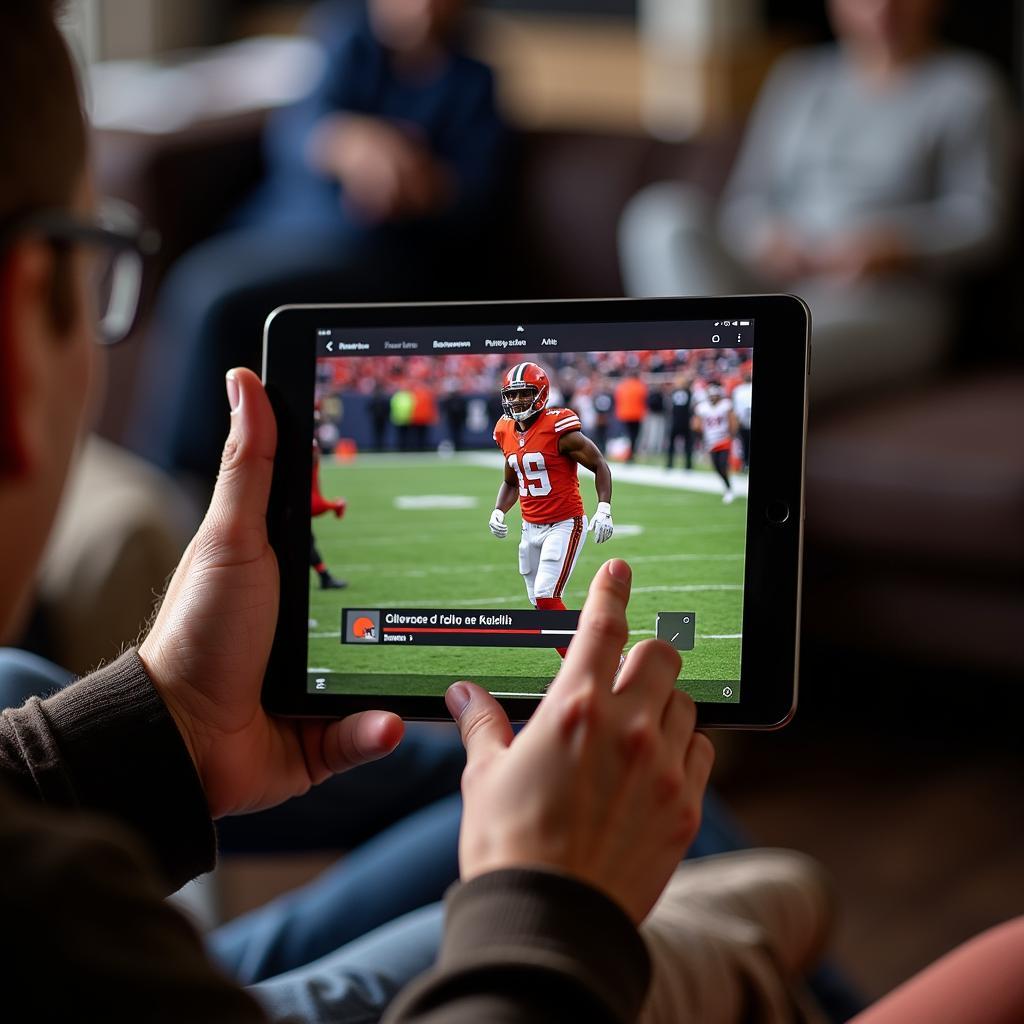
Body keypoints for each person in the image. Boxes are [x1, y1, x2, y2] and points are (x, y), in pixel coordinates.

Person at [131, 0, 506, 485]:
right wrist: (349, 144)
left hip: (374, 251)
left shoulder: (474, 81)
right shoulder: (346, 40)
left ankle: (185, 480)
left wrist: (417, 182)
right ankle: (170, 479)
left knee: (213, 294)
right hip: (282, 231)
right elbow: (296, 131)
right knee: (202, 282)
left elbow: (475, 198)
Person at [619, 0, 1015, 403]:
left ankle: (710, 394)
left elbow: (983, 221)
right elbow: (745, 201)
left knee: (783, 350)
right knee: (660, 216)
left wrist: (896, 244)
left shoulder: (970, 88)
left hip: (883, 295)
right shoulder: (799, 77)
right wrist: (766, 236)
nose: (883, 9)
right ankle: (707, 377)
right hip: (778, 278)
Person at [488, 362, 614, 659]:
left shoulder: (559, 427)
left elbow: (599, 464)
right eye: (512, 394)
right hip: (529, 526)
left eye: (525, 393)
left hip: (564, 523)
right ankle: (586, 665)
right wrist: (498, 510)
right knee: (539, 602)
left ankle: (594, 665)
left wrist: (604, 507)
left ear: (541, 393)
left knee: (546, 595)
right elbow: (511, 480)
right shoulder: (505, 430)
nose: (517, 401)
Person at [692, 382, 737, 504]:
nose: (713, 398)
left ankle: (729, 490)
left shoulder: (725, 405)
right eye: (711, 396)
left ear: (719, 395)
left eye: (715, 395)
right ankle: (727, 486)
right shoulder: (702, 407)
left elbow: (733, 420)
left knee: (722, 465)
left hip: (724, 439)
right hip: (711, 441)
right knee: (716, 467)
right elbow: (696, 425)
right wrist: (698, 429)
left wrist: (732, 434)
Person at [614, 372, 648, 461]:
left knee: (627, 435)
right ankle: (630, 453)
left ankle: (627, 453)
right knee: (634, 436)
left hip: (624, 414)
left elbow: (618, 399)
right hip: (637, 415)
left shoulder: (622, 386)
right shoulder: (641, 386)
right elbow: (644, 400)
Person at [666, 375, 695, 471]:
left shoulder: (674, 392)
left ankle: (670, 464)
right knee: (687, 444)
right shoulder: (689, 392)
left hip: (675, 420)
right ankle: (688, 465)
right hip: (685, 420)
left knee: (672, 444)